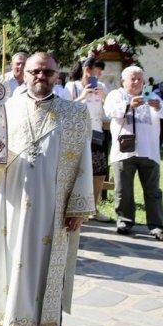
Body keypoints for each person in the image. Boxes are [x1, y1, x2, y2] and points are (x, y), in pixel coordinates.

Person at [0, 52, 93, 326]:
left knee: (44, 267)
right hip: (10, 204)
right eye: (35, 71)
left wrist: (77, 207)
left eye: (47, 72)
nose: (41, 77)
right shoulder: (3, 108)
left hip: (52, 210)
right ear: (23, 74)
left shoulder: (75, 114)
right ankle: (1, 324)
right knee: (6, 262)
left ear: (57, 76)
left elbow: (84, 163)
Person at [104, 65, 163, 240]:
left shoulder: (152, 94)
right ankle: (125, 221)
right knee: (123, 189)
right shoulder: (116, 94)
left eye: (139, 79)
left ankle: (156, 225)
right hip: (124, 151)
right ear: (124, 80)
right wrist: (128, 105)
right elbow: (109, 111)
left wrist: (158, 106)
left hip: (149, 150)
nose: (136, 82)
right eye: (133, 79)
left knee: (153, 190)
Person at [63, 57, 112, 223]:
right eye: (99, 69)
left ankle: (93, 208)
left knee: (99, 172)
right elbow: (65, 108)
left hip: (96, 132)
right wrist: (83, 96)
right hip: (77, 134)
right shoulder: (72, 86)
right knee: (77, 170)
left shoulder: (102, 87)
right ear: (88, 70)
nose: (101, 73)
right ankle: (74, 207)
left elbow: (110, 111)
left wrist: (104, 97)